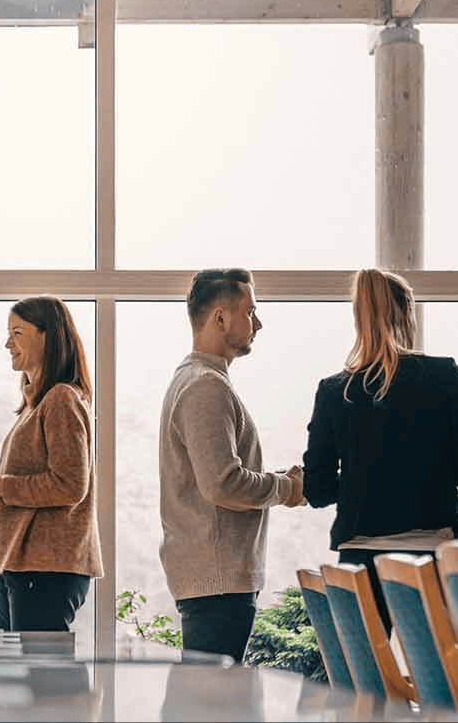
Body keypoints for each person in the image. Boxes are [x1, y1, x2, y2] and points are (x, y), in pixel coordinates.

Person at [304, 269, 458, 631]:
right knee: (439, 680)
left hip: (359, 560)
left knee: (366, 684)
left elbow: (318, 491)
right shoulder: (444, 375)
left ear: (359, 318)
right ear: (407, 315)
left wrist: (364, 480)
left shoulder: (333, 390)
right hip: (430, 558)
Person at [158, 268, 305, 663]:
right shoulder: (205, 385)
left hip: (214, 579)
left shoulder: (198, 380)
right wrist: (287, 489)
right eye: (251, 312)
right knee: (213, 708)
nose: (258, 323)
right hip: (218, 581)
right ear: (221, 318)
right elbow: (222, 484)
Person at [0, 296, 102, 632]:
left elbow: (70, 484)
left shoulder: (61, 399)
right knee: (18, 680)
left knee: (39, 682)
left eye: (17, 333)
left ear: (46, 336)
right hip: (22, 567)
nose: (7, 343)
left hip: (44, 570)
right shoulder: (35, 405)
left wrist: (2, 486)